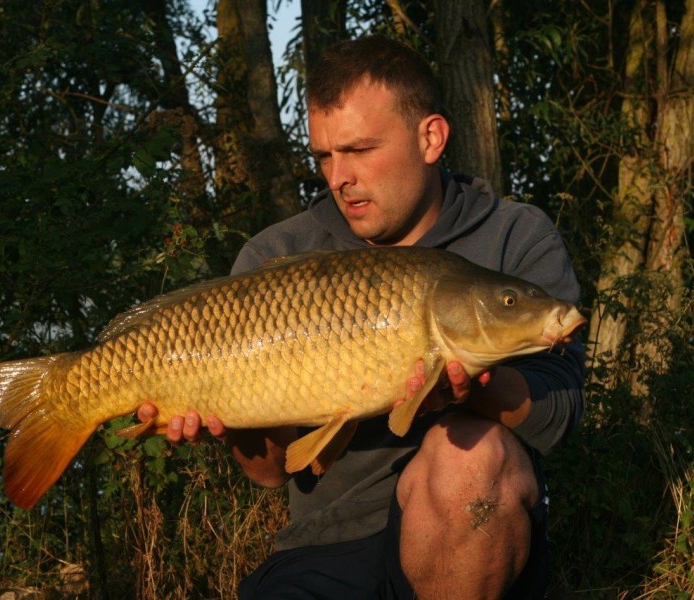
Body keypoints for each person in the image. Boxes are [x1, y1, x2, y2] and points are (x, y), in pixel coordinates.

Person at [138, 36, 584, 598]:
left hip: (470, 534)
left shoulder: (514, 236)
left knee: (468, 454)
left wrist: (475, 391)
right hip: (326, 542)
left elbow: (560, 412)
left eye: (359, 150)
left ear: (431, 138)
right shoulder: (275, 256)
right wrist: (224, 418)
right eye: (324, 155)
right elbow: (272, 472)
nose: (337, 177)